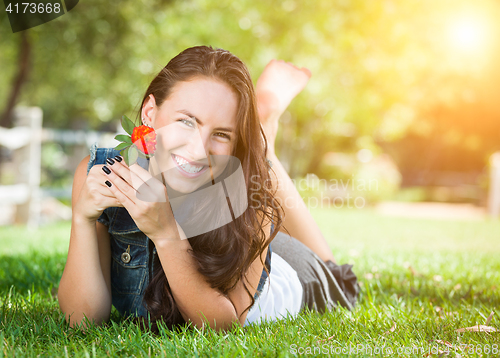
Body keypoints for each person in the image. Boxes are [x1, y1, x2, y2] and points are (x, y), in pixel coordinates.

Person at [58, 46, 359, 332]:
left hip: (284, 276)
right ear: (150, 113)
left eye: (221, 134)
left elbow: (226, 325)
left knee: (341, 279)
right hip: (241, 250)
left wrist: (165, 234)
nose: (199, 150)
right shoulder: (103, 175)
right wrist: (82, 220)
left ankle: (263, 136)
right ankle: (260, 130)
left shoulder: (249, 199)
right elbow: (82, 320)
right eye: (186, 121)